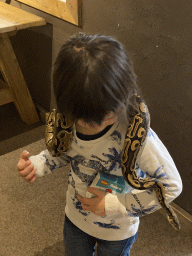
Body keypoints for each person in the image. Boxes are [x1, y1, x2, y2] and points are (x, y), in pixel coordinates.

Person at [17, 32, 182, 256]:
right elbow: (65, 151)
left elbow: (172, 185)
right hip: (75, 218)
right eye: (81, 120)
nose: (88, 127)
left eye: (105, 116)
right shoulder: (71, 117)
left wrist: (113, 205)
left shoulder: (140, 138)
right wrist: (38, 163)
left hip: (117, 230)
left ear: (122, 99)